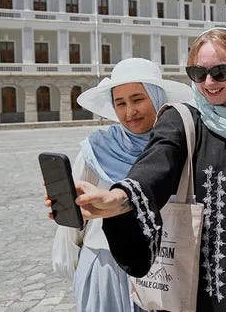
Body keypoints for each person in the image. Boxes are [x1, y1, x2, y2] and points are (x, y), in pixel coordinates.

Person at [64, 28, 226, 312]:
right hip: (192, 292)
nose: (209, 82)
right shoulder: (181, 120)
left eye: (220, 72)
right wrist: (118, 199)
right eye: (198, 73)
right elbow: (156, 165)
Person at [50, 57, 193, 312]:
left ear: (157, 98)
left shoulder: (178, 148)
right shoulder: (97, 150)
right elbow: (75, 219)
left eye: (138, 100)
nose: (130, 112)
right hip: (105, 268)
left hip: (164, 270)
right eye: (121, 103)